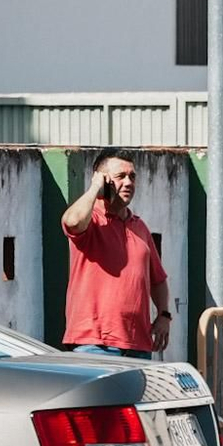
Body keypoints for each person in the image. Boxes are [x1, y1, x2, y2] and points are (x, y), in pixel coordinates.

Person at [61, 149, 170, 360]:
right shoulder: (91, 220)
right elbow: (72, 221)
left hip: (138, 344)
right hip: (94, 344)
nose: (128, 182)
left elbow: (158, 278)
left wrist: (164, 314)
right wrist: (95, 188)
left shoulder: (139, 227)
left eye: (132, 176)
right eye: (120, 177)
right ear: (102, 179)